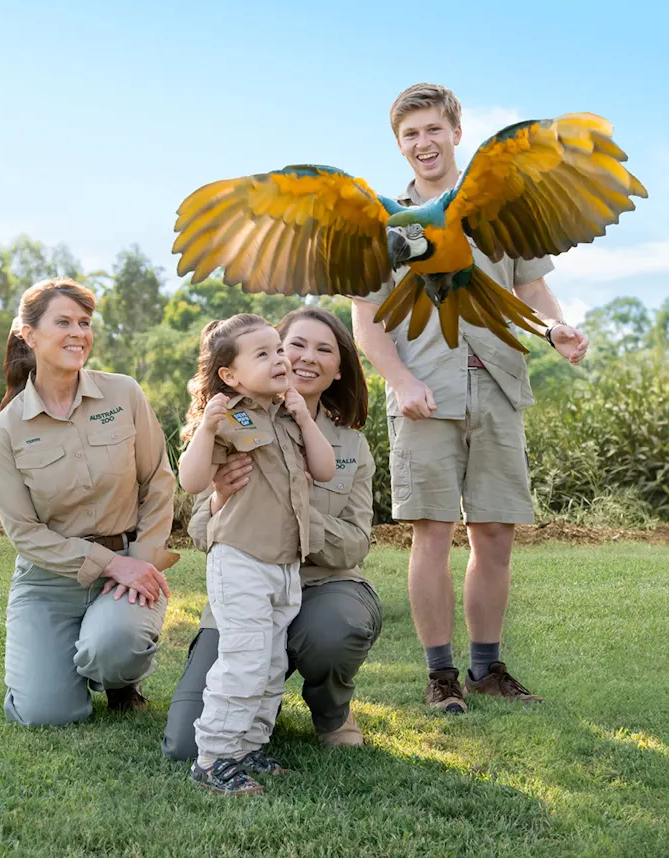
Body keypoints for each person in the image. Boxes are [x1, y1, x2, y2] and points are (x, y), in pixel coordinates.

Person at [351, 83, 590, 714]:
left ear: (456, 132)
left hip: (499, 382)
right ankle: (441, 676)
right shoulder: (384, 222)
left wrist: (555, 329)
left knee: (494, 536)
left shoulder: (497, 204)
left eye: (433, 130)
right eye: (410, 135)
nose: (423, 144)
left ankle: (487, 667)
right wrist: (400, 382)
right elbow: (366, 318)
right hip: (423, 391)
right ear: (399, 145)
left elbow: (532, 286)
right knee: (430, 533)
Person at [161, 306, 381, 762]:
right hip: (245, 580)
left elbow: (356, 543)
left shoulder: (349, 444)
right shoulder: (236, 423)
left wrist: (292, 513)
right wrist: (222, 497)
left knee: (333, 631)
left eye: (324, 349)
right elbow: (201, 529)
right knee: (185, 742)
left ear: (340, 369)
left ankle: (331, 711)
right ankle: (229, 747)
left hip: (321, 586)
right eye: (291, 344)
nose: (302, 358)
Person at [0, 277, 179, 726]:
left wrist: (141, 563)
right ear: (29, 335)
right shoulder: (6, 430)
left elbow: (159, 482)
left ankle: (118, 677)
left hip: (130, 557)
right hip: (49, 582)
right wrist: (108, 565)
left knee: (114, 648)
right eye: (64, 322)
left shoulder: (123, 393)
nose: (79, 333)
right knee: (45, 714)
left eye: (85, 323)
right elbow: (25, 534)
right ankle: (60, 665)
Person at [176, 313, 336, 795]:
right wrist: (206, 429)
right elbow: (191, 481)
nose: (280, 359)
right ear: (230, 374)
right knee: (243, 660)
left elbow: (325, 471)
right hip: (241, 559)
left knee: (269, 665)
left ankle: (249, 746)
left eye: (278, 349)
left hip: (284, 564)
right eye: (263, 353)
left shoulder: (289, 415)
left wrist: (305, 416)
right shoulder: (227, 417)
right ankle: (214, 757)